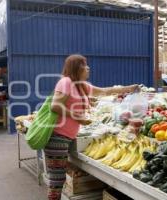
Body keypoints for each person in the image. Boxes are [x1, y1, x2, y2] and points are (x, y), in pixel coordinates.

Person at [44, 54, 139, 200]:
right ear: (76, 68)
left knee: (59, 179)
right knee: (57, 181)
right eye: (84, 65)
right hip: (58, 136)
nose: (88, 68)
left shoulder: (82, 86)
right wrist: (78, 118)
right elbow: (55, 106)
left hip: (68, 137)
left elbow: (105, 91)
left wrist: (129, 88)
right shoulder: (66, 82)